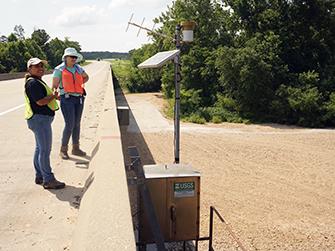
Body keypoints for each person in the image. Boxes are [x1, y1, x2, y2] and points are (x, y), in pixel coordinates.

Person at [25, 58, 65, 189]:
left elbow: (42, 99)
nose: (40, 68)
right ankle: (48, 179)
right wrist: (53, 96)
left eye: (41, 66)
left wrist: (53, 96)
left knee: (39, 149)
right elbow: (40, 102)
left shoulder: (36, 81)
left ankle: (40, 176)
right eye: (36, 66)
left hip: (39, 119)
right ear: (29, 69)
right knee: (45, 150)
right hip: (40, 120)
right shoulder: (33, 83)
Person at [52, 48, 89, 159]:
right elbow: (54, 85)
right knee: (70, 124)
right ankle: (63, 149)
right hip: (67, 99)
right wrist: (56, 92)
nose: (73, 59)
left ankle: (76, 148)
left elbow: (86, 77)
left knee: (77, 124)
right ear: (65, 58)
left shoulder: (79, 68)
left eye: (75, 57)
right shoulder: (59, 69)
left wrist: (79, 83)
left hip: (79, 98)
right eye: (71, 57)